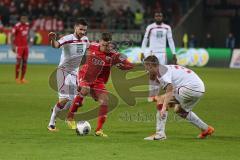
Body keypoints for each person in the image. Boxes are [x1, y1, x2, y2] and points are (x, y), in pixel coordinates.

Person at [66, 32, 133, 137]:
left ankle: (98, 130)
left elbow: (129, 64)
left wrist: (124, 66)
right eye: (104, 45)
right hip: (85, 76)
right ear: (100, 42)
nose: (106, 47)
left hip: (99, 81)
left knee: (105, 100)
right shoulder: (92, 46)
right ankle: (70, 117)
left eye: (108, 45)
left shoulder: (114, 55)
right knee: (85, 89)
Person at [143, 55, 214, 140]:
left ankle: (160, 134)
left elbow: (170, 88)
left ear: (150, 66)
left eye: (146, 67)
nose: (145, 70)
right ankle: (206, 129)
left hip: (190, 88)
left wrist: (164, 107)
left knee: (161, 100)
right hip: (199, 89)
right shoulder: (163, 69)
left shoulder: (162, 72)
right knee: (180, 110)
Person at [47, 19, 89, 131]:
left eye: (84, 30)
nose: (83, 32)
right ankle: (51, 124)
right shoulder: (68, 39)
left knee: (79, 102)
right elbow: (56, 45)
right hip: (63, 71)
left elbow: (86, 54)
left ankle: (58, 110)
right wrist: (52, 40)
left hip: (75, 73)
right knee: (65, 99)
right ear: (75, 28)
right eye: (80, 29)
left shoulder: (85, 40)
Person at [141, 12, 177, 102]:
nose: (158, 17)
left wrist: (174, 53)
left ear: (162, 17)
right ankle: (151, 95)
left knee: (162, 74)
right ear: (154, 17)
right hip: (152, 53)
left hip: (162, 53)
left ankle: (159, 94)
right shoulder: (150, 27)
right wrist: (142, 51)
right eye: (157, 16)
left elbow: (170, 40)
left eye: (160, 16)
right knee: (152, 74)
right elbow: (145, 39)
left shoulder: (167, 27)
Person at [11, 14, 31, 83]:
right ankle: (17, 78)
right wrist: (12, 46)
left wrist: (29, 42)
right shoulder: (17, 26)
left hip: (25, 47)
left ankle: (22, 78)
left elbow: (28, 34)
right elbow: (12, 35)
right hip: (19, 47)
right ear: (20, 19)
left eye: (25, 19)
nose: (24, 20)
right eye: (23, 19)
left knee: (25, 62)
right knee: (18, 62)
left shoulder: (27, 25)